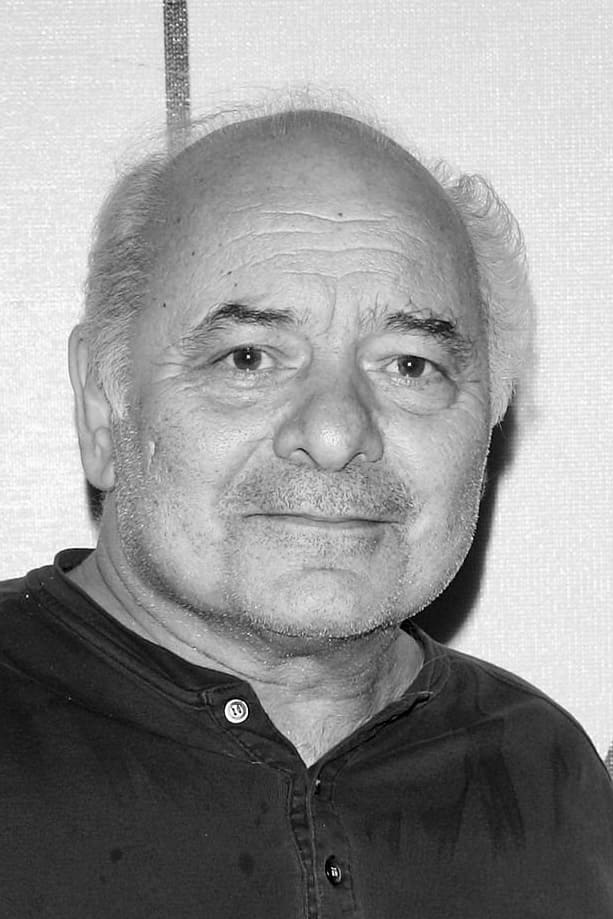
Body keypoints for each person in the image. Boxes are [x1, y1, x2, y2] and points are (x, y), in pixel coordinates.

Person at [1, 103, 612, 918]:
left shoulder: (548, 778)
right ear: (103, 403)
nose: (333, 433)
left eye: (409, 364)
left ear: (489, 418)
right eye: (248, 357)